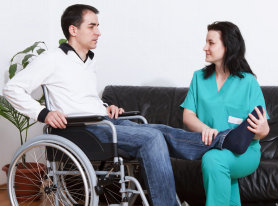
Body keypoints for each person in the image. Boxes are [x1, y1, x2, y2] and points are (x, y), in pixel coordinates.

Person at [3, 4, 179, 206]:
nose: (98, 32)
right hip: (84, 131)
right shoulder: (52, 59)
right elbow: (12, 88)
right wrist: (43, 113)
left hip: (102, 121)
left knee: (162, 131)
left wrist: (105, 107)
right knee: (153, 137)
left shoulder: (87, 62)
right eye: (92, 26)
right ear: (73, 30)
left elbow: (83, 101)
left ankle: (216, 141)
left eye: (98, 26)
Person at [180, 21, 269, 206]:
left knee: (214, 160)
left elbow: (263, 129)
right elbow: (187, 115)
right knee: (219, 166)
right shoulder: (199, 78)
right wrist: (206, 129)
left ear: (227, 46)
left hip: (245, 152)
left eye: (211, 43)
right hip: (211, 145)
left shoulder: (248, 82)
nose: (205, 47)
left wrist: (261, 130)